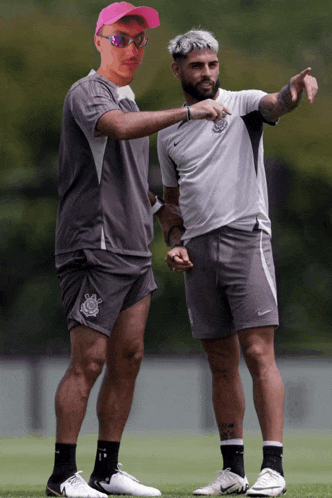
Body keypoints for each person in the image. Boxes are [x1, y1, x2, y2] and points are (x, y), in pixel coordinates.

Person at [47, 4, 230, 498]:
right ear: (99, 40)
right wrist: (191, 110)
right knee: (88, 361)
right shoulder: (90, 93)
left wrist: (162, 214)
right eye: (120, 38)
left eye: (139, 40)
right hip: (94, 246)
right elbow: (120, 129)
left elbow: (129, 181)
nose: (131, 48)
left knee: (129, 356)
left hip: (132, 250)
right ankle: (63, 475)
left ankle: (107, 469)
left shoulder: (129, 99)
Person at [157, 30, 318, 497]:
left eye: (211, 64)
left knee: (257, 352)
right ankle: (232, 470)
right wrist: (174, 239)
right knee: (220, 361)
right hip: (199, 252)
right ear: (178, 71)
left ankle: (274, 468)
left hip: (247, 238)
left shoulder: (242, 102)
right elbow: (172, 203)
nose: (207, 73)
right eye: (196, 66)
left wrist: (290, 93)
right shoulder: (167, 130)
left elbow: (273, 105)